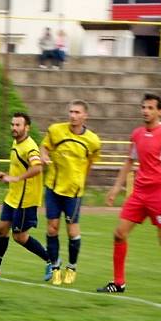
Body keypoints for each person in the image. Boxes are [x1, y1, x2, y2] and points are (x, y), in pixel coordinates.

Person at [97, 93, 161, 296]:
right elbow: (129, 161)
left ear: (160, 111)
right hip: (139, 192)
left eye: (150, 108)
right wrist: (117, 187)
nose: (145, 111)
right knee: (119, 234)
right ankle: (118, 283)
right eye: (143, 107)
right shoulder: (137, 134)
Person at [0, 112, 50, 279]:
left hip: (26, 198)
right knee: (1, 228)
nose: (14, 128)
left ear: (26, 127)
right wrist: (6, 175)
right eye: (12, 124)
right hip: (13, 196)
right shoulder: (17, 142)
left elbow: (37, 168)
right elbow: (21, 168)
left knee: (19, 236)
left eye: (18, 125)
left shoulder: (30, 147)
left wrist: (16, 178)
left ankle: (51, 260)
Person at [40, 99, 101, 285]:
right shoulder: (56, 130)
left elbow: (90, 162)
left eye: (77, 112)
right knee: (52, 228)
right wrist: (43, 155)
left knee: (72, 230)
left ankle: (72, 266)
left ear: (85, 116)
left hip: (73, 192)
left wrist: (81, 181)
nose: (73, 115)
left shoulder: (92, 140)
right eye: (71, 112)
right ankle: (55, 265)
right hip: (53, 187)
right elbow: (44, 146)